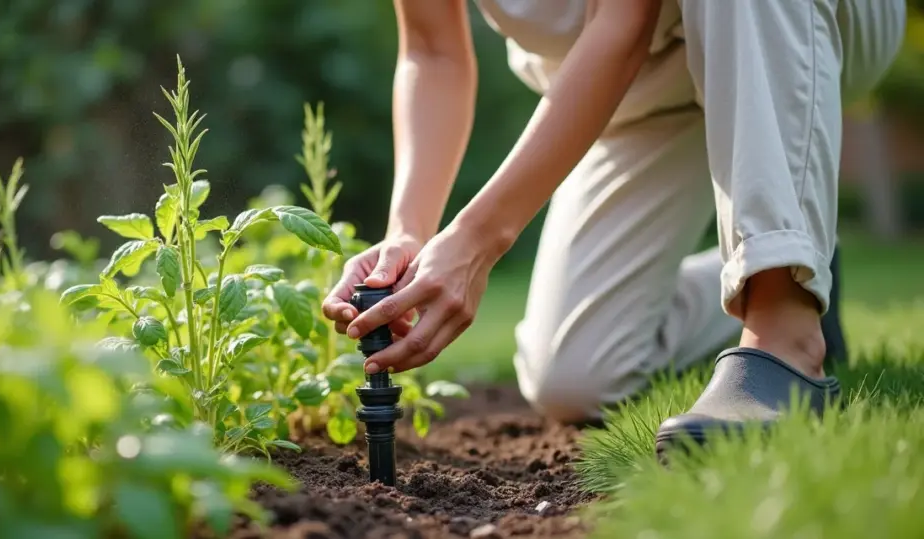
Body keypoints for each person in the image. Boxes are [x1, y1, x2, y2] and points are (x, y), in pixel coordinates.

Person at [322, 0, 906, 453]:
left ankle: (784, 325)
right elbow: (432, 52)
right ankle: (796, 260)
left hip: (786, 23)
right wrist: (408, 230)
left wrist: (478, 238)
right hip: (634, 92)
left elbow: (622, 23)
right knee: (575, 376)